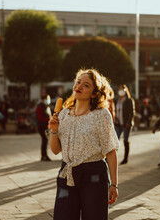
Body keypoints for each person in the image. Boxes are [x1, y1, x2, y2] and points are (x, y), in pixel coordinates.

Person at [49, 69, 119, 220]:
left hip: (94, 175)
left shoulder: (101, 115)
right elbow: (55, 150)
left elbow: (111, 151)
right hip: (67, 173)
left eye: (86, 85)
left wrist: (114, 184)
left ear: (94, 94)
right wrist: (54, 131)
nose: (79, 86)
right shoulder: (63, 114)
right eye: (78, 82)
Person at [114, 84, 135, 165]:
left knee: (126, 141)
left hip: (126, 124)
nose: (121, 91)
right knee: (115, 141)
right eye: (119, 89)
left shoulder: (129, 100)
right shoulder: (118, 100)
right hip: (118, 124)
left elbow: (131, 112)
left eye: (122, 89)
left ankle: (125, 158)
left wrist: (128, 122)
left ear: (126, 90)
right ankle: (114, 158)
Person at [36, 95, 52, 161]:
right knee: (44, 140)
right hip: (41, 126)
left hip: (45, 126)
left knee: (45, 141)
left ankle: (44, 155)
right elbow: (39, 118)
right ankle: (43, 155)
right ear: (44, 99)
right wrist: (48, 119)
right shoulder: (39, 107)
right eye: (47, 99)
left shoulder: (45, 106)